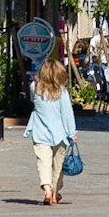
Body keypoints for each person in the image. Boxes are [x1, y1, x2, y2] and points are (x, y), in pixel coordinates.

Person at [24, 54, 77, 204]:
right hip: (60, 133)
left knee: (43, 162)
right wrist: (72, 132)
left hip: (40, 131)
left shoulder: (35, 88)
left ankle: (47, 189)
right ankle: (54, 193)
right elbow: (67, 113)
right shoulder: (62, 91)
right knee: (57, 165)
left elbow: (32, 101)